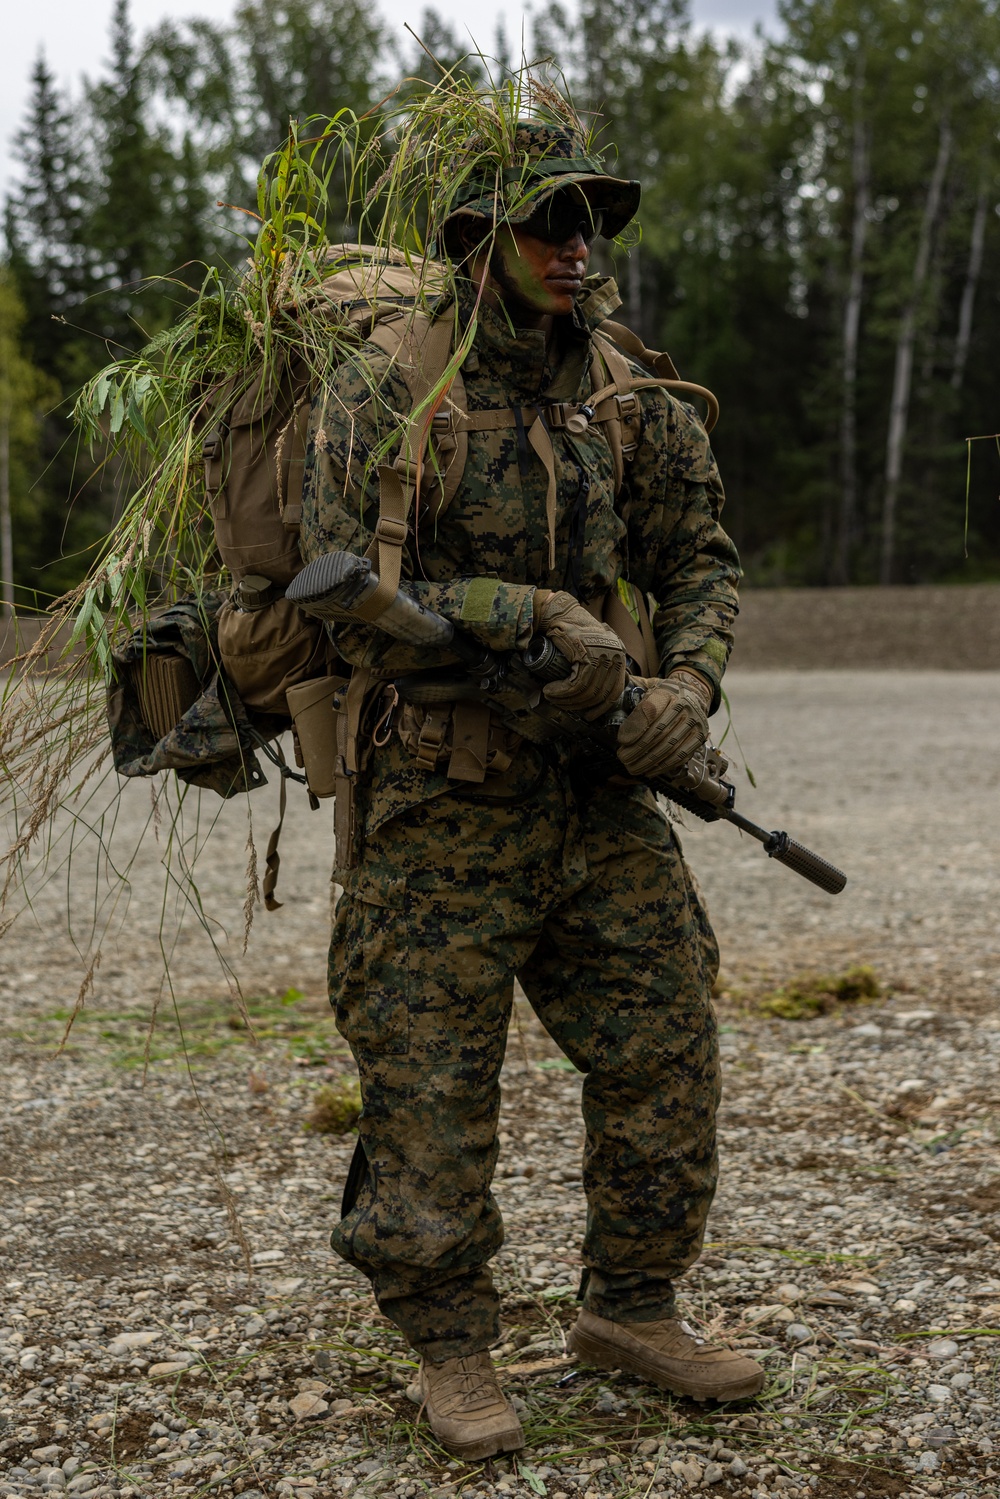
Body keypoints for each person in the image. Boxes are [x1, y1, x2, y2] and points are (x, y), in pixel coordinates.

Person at [300, 115, 764, 1460]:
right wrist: (526, 609)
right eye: (548, 223)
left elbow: (703, 560)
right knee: (430, 1085)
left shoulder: (626, 389)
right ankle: (451, 1347)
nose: (577, 247)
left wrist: (684, 691)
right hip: (439, 800)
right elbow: (334, 582)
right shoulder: (390, 384)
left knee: (667, 1038)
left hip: (599, 789)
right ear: (478, 241)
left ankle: (630, 1307)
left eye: (592, 222)